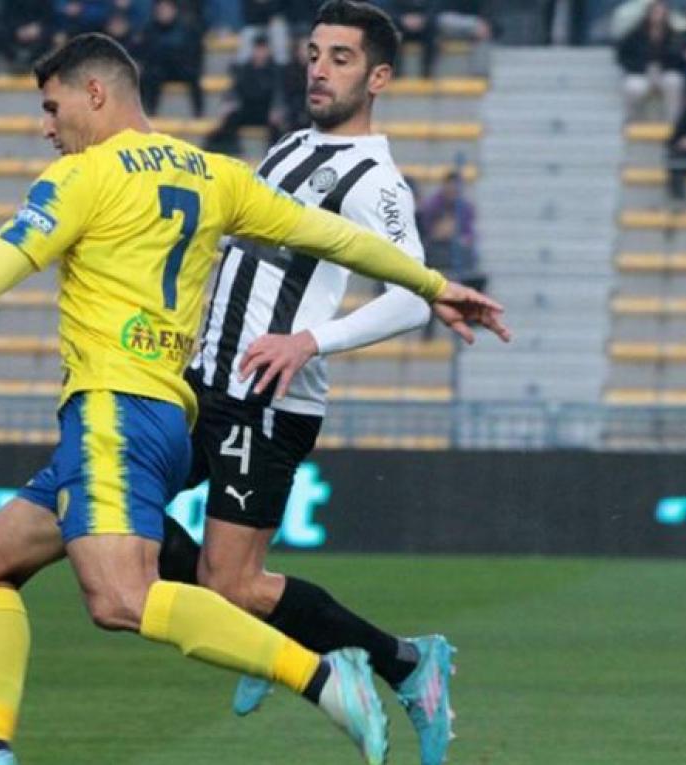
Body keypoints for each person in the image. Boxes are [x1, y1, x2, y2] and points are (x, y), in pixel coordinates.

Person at [0, 32, 506, 765]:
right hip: (173, 406)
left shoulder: (84, 178)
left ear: (95, 93)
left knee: (120, 598)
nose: (46, 127)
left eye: (52, 108)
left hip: (116, 409)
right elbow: (336, 239)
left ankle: (322, 676)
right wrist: (433, 282)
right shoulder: (214, 173)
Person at [169, 9, 485, 765]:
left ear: (379, 78)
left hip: (265, 398)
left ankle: (405, 662)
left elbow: (410, 299)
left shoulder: (376, 181)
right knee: (111, 508)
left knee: (230, 585)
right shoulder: (290, 146)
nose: (318, 68)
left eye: (341, 58)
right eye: (314, 53)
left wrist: (311, 339)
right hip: (203, 381)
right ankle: (274, 635)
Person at [418, 169, 486, 339]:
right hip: (435, 255)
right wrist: (443, 232)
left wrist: (455, 235)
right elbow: (430, 232)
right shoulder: (432, 205)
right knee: (433, 292)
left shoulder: (465, 208)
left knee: (476, 279)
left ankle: (470, 319)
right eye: (450, 186)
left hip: (457, 256)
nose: (453, 190)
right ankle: (429, 333)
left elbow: (468, 235)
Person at [203, 33, 284, 153]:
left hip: (266, 111)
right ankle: (230, 149)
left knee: (277, 127)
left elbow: (279, 93)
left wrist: (277, 108)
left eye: (263, 49)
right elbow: (234, 90)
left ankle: (275, 152)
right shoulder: (245, 69)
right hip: (247, 108)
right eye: (258, 49)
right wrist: (229, 104)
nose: (260, 53)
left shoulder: (275, 70)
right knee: (231, 119)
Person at [616, 0, 684, 122]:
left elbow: (678, 58)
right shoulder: (635, 34)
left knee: (675, 81)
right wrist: (639, 68)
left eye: (661, 12)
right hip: (641, 73)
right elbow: (622, 56)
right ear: (648, 13)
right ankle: (632, 121)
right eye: (655, 12)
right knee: (631, 86)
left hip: (664, 73)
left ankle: (673, 122)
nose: (658, 15)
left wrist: (663, 68)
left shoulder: (673, 35)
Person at [139, 0, 206, 117]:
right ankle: (150, 112)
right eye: (161, 10)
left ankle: (199, 113)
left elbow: (194, 51)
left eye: (167, 9)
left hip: (181, 67)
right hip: (160, 69)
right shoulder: (149, 30)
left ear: (174, 10)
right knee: (149, 76)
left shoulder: (186, 29)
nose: (163, 12)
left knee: (194, 76)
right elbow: (146, 53)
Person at [386, 0, 438, 77]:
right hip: (401, 27)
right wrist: (402, 19)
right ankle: (396, 73)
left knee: (432, 34)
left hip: (424, 28)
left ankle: (427, 72)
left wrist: (423, 20)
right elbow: (388, 12)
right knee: (393, 35)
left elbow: (435, 11)